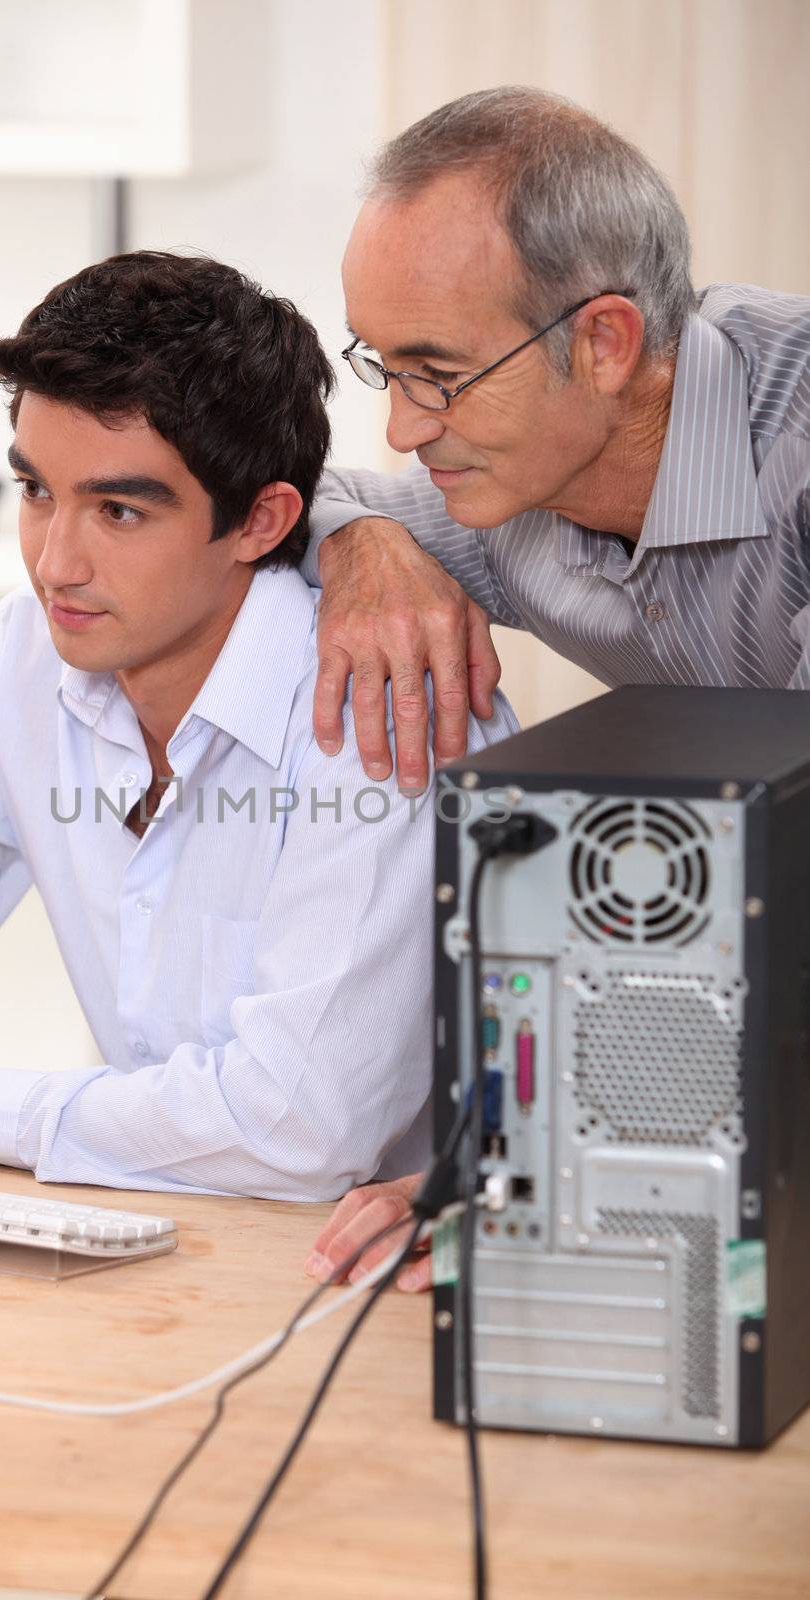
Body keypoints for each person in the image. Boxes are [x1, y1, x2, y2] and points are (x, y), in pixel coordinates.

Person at [0, 250, 517, 1206]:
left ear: (262, 521)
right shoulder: (23, 656)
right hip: (162, 1246)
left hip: (391, 1281)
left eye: (117, 510)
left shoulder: (379, 697)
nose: (54, 563)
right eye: (35, 492)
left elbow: (296, 1128)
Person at [305, 85, 810, 1288]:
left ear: (605, 342)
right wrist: (357, 545)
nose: (401, 429)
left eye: (435, 372)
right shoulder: (508, 479)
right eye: (381, 364)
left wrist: (541, 1160)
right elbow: (307, 489)